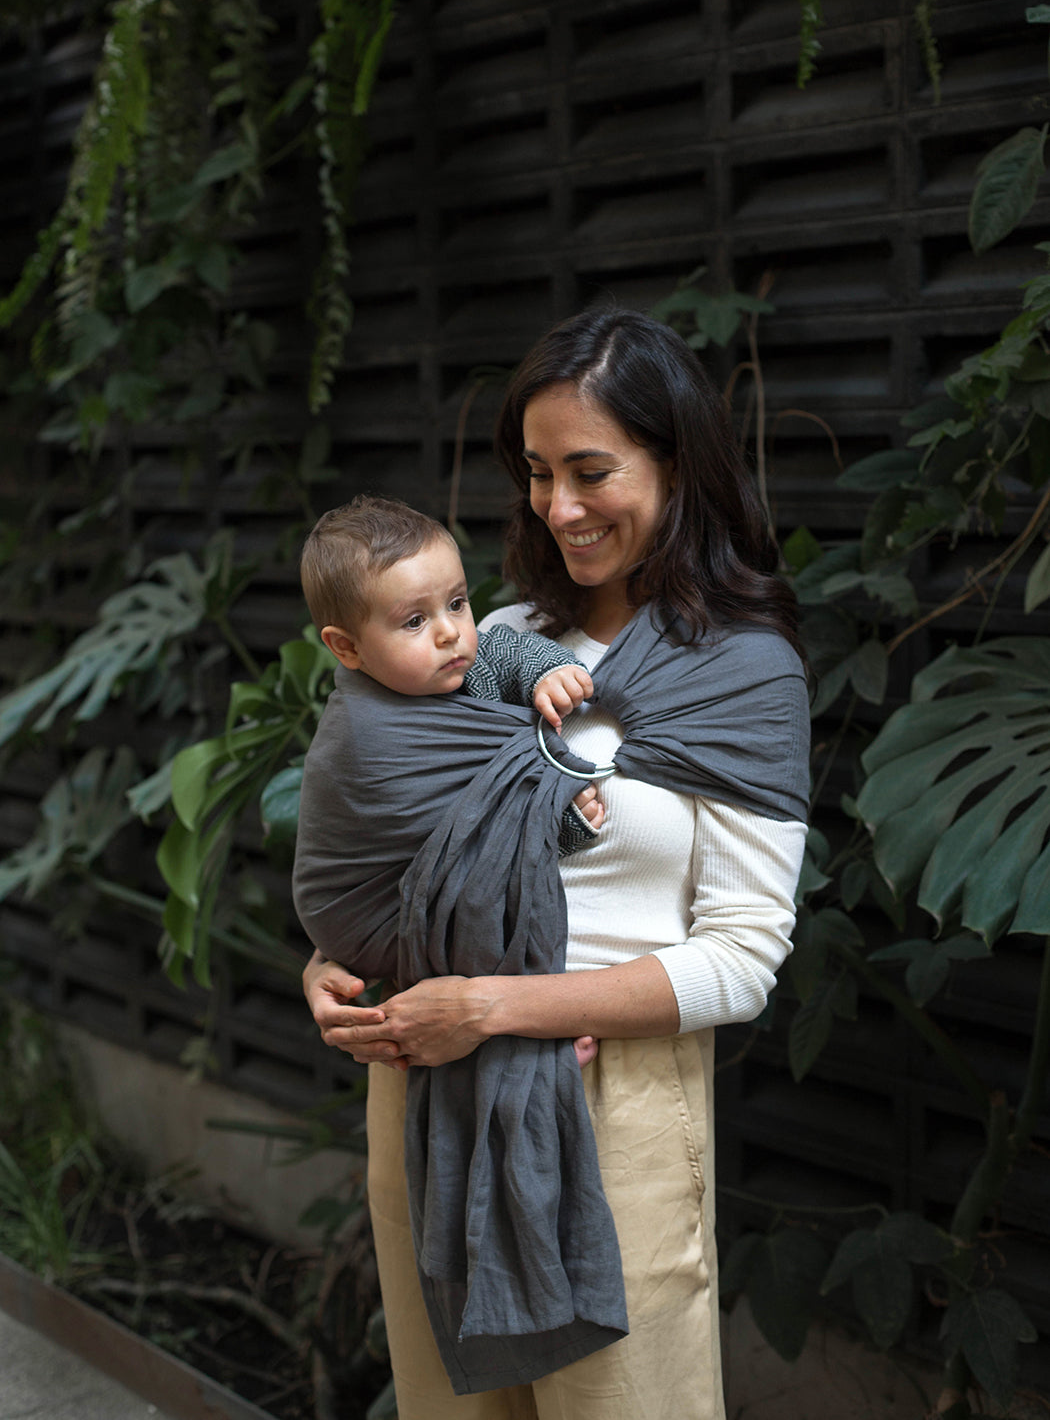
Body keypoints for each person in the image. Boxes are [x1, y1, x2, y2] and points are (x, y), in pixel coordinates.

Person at [303, 306, 810, 1420]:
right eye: (537, 473)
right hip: (429, 1089)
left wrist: (493, 1007)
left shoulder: (743, 674)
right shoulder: (488, 642)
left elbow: (741, 961)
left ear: (676, 466)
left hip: (608, 1102)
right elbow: (399, 839)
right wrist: (335, 965)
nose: (559, 507)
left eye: (591, 471)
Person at [293, 493, 606, 1063]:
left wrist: (552, 672)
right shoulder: (363, 739)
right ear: (346, 647)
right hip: (368, 918)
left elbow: (510, 652)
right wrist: (559, 826)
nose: (450, 633)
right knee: (476, 904)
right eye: (415, 621)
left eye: (457, 603)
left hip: (400, 932)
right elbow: (472, 841)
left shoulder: (469, 657)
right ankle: (523, 1046)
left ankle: (514, 1039)